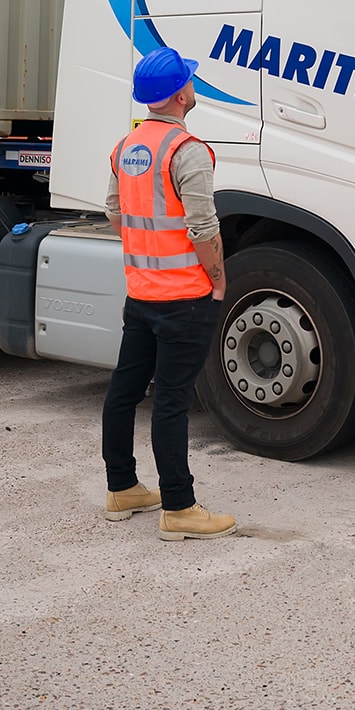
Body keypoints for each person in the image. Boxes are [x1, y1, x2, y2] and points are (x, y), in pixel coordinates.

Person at [102, 47, 237, 540]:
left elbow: (115, 214)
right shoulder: (188, 150)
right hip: (184, 297)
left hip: (141, 294)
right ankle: (179, 507)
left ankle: (122, 488)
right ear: (182, 93)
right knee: (172, 401)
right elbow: (203, 227)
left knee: (124, 391)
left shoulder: (126, 148)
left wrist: (144, 256)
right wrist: (218, 278)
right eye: (190, 82)